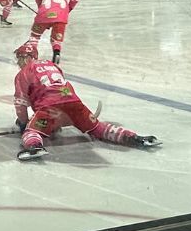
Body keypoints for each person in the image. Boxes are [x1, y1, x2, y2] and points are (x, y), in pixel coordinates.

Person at [12, 43, 157, 161]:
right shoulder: (52, 65)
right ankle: (134, 137)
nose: (18, 62)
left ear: (27, 57)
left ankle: (34, 147)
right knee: (98, 128)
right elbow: (61, 86)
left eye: (19, 58)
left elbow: (20, 103)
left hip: (49, 107)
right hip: (73, 101)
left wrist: (24, 123)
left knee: (31, 132)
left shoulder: (23, 73)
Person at [29, 0, 79, 65]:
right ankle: (56, 52)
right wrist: (68, 10)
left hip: (44, 15)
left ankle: (32, 55)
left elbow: (40, 6)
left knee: (34, 36)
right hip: (61, 16)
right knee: (56, 39)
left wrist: (47, 21)